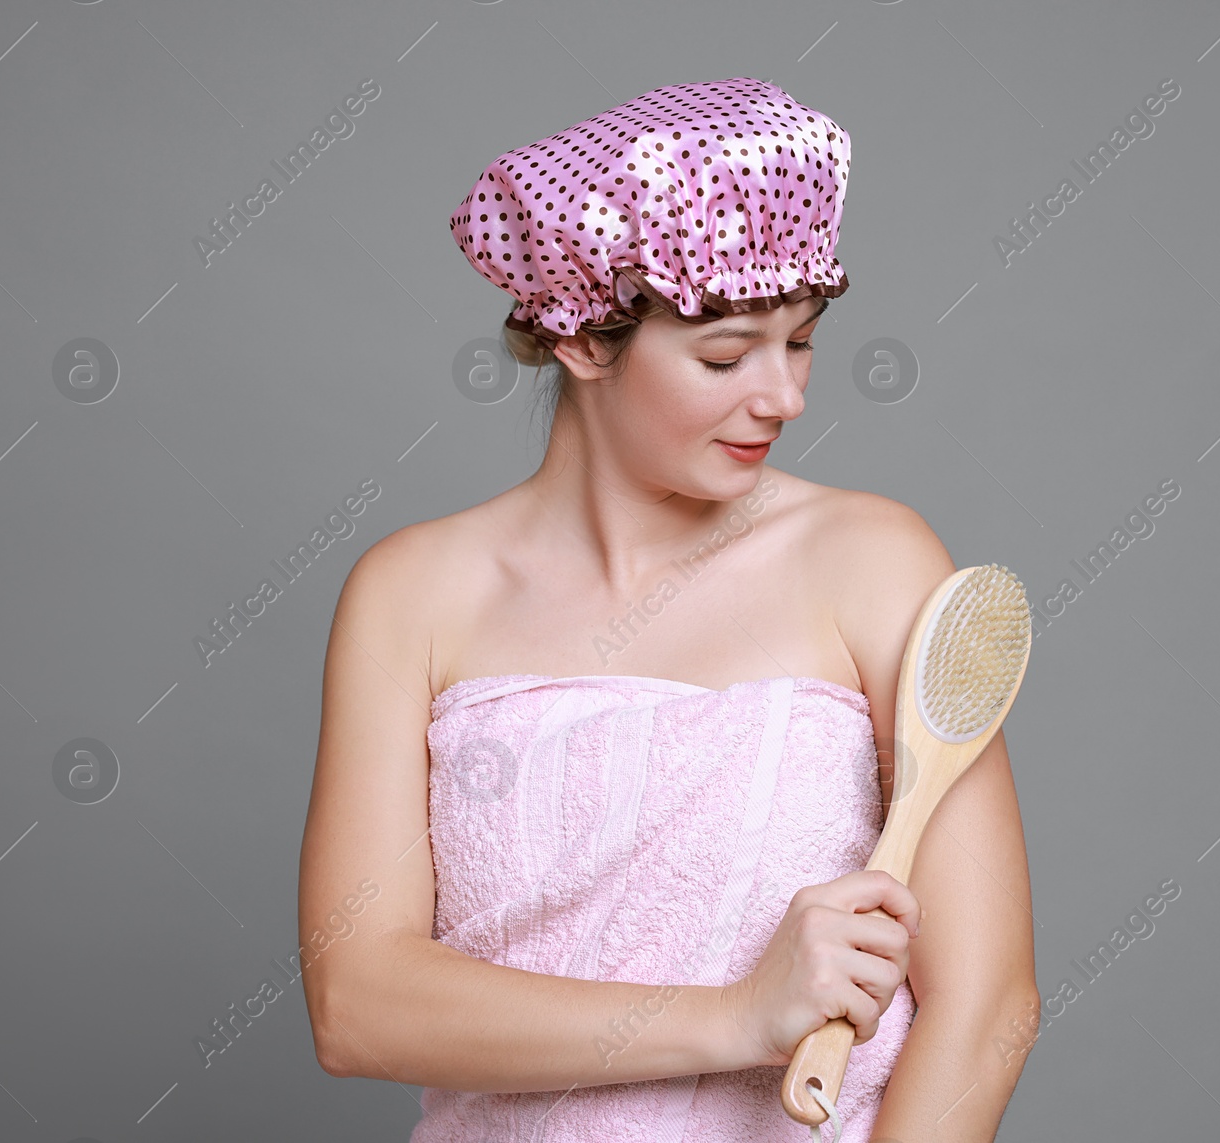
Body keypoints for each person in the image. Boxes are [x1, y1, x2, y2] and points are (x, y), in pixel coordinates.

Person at [297, 77, 1039, 1141]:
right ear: (582, 341)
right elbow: (358, 1007)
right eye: (726, 355)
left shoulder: (872, 562)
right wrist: (741, 1016)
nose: (781, 396)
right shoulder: (409, 596)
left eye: (802, 341)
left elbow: (989, 1008)